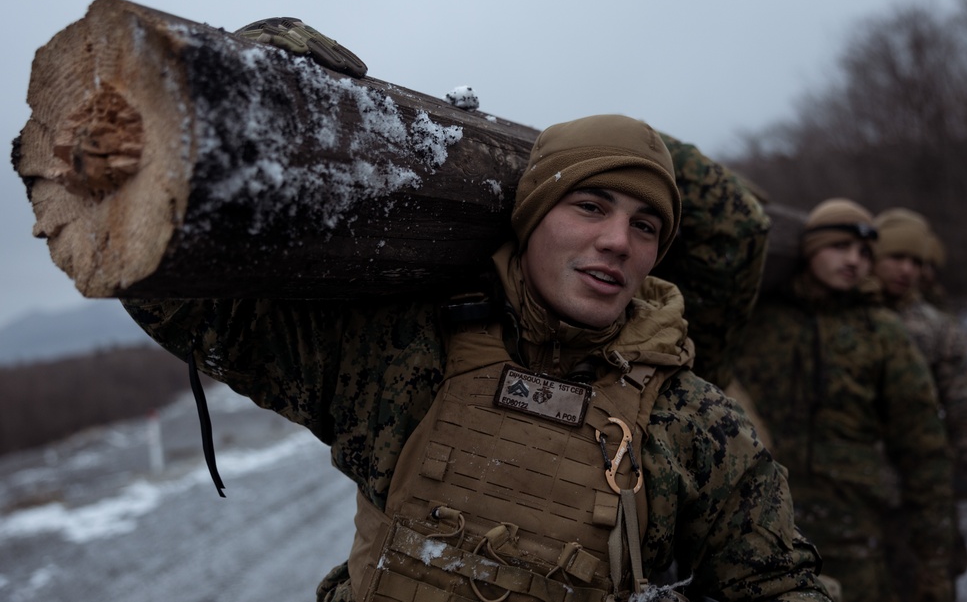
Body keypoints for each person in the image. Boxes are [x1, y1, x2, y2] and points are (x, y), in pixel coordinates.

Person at [124, 114, 832, 602]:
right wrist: (262, 76)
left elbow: (781, 583)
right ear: (531, 218)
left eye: (645, 226)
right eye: (590, 205)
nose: (619, 240)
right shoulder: (405, 355)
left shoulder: (695, 421)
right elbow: (181, 301)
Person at [731, 198, 956, 602]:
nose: (853, 260)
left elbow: (923, 448)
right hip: (760, 532)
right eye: (840, 247)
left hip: (855, 536)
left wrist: (935, 559)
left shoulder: (881, 331)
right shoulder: (758, 315)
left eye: (865, 254)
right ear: (810, 249)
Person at [871, 207, 967, 596]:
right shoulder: (842, 318)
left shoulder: (936, 327)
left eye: (916, 261)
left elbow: (966, 413)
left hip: (921, 495)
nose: (906, 269)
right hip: (853, 501)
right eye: (896, 258)